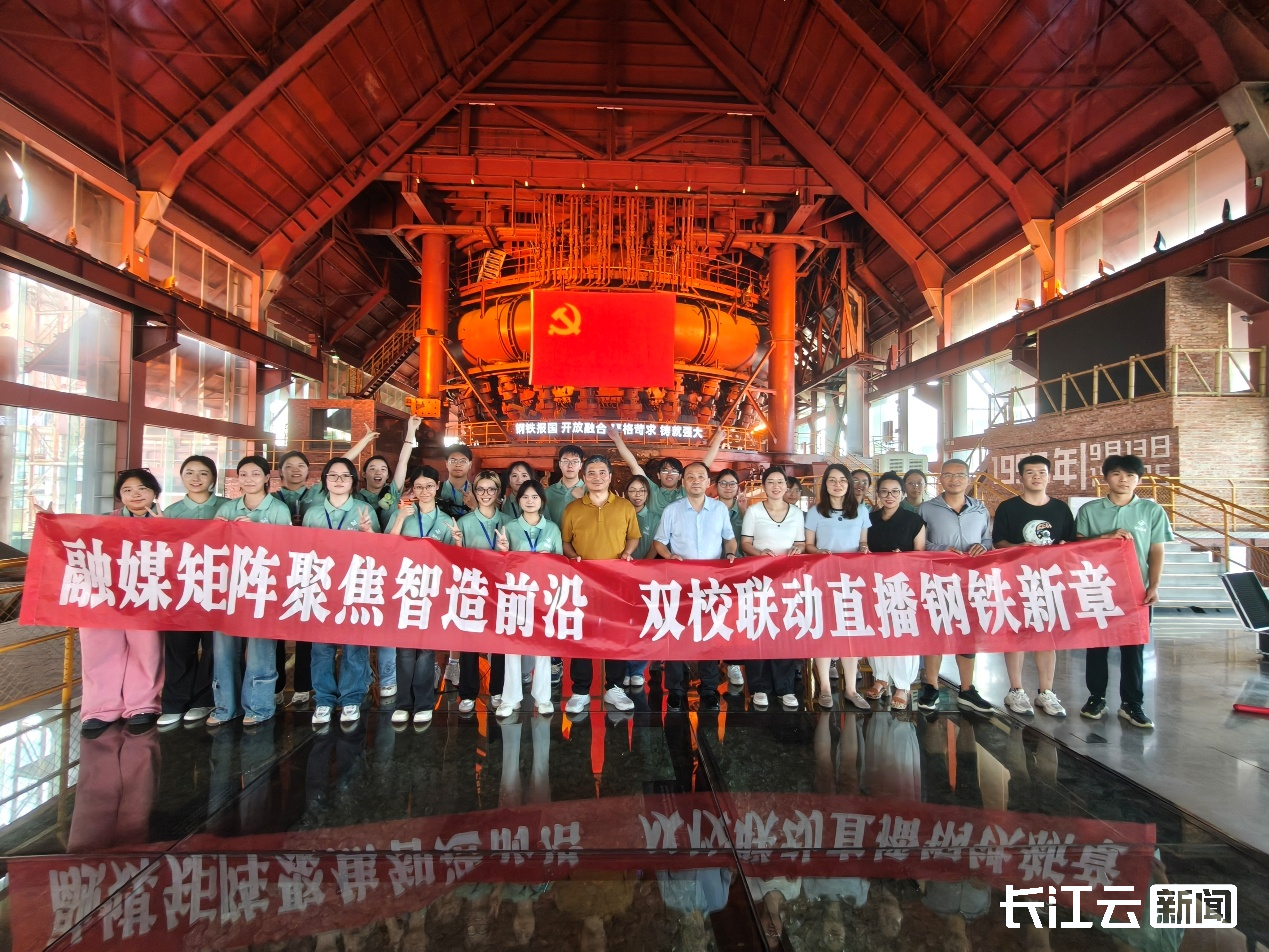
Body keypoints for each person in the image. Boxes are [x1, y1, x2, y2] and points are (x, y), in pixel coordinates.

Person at [52, 468, 165, 734]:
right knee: (100, 650)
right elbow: (72, 542)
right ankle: (100, 708)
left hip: (145, 596)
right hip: (104, 598)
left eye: (142, 489)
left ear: (154, 493)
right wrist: (50, 523)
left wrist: (165, 530)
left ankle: (143, 705)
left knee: (146, 650)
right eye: (127, 490)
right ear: (119, 495)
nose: (135, 495)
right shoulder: (102, 521)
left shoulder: (167, 521)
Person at [1076, 454, 1171, 729]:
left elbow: (1156, 550)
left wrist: (1154, 585)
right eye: (1117, 474)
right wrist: (1104, 537)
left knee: (1134, 648)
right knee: (1097, 646)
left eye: (1130, 475)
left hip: (1136, 591)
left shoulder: (1151, 511)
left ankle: (1132, 704)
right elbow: (1077, 546)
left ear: (1138, 480)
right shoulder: (1090, 510)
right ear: (1106, 477)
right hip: (1098, 588)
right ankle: (1096, 698)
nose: (1124, 480)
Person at [992, 455, 1075, 717]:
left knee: (1046, 635)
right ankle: (1016, 690)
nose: (1036, 476)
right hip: (1016, 579)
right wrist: (1017, 547)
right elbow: (998, 542)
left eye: (1041, 472)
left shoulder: (1061, 509)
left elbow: (1070, 543)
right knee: (1016, 633)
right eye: (1030, 472)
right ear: (1021, 477)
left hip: (1050, 581)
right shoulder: (1008, 507)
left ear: (1049, 476)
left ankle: (1046, 692)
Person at [211, 455, 289, 727]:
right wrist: (217, 531)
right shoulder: (227, 508)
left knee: (259, 650)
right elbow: (212, 550)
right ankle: (225, 706)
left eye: (256, 474)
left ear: (267, 478)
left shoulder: (278, 510)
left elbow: (287, 549)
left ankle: (258, 706)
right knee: (223, 649)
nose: (249, 479)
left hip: (263, 589)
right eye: (243, 474)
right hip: (228, 589)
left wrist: (255, 532)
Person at [653, 461, 737, 713]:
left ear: (708, 482)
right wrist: (668, 556)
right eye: (690, 477)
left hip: (711, 584)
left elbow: (729, 538)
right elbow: (659, 542)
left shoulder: (719, 509)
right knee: (677, 635)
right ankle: (676, 690)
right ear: (683, 482)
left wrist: (730, 554)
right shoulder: (672, 510)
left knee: (708, 635)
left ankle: (709, 689)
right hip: (680, 584)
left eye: (701, 476)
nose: (696, 481)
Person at [301, 457, 379, 727]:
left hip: (354, 586)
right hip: (320, 588)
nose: (338, 480)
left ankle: (351, 697)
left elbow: (379, 553)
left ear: (353, 481)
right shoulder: (312, 513)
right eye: (332, 475)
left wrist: (368, 532)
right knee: (321, 647)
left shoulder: (364, 510)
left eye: (345, 476)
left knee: (354, 646)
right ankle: (323, 699)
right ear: (325, 480)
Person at [559, 455, 641, 714]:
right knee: (581, 636)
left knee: (616, 635)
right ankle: (581, 690)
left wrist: (627, 553)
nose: (597, 477)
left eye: (602, 472)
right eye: (591, 473)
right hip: (583, 585)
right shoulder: (572, 509)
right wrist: (573, 557)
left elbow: (634, 537)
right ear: (584, 477)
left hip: (617, 584)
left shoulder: (625, 507)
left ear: (610, 476)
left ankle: (614, 688)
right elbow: (565, 542)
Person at [386, 464, 462, 726]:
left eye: (429, 486)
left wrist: (458, 541)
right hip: (405, 587)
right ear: (413, 489)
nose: (425, 491)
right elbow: (386, 547)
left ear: (437, 486)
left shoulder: (445, 520)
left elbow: (454, 560)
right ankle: (403, 704)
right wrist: (399, 519)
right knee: (405, 650)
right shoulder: (403, 514)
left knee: (427, 650)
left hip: (433, 589)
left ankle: (424, 703)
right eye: (419, 487)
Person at [917, 458, 994, 715]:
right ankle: (930, 686)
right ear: (941, 479)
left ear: (968, 478)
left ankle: (967, 689)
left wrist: (983, 546)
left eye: (960, 474)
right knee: (935, 631)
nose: (954, 479)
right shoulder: (927, 509)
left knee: (968, 632)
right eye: (948, 475)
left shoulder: (980, 509)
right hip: (938, 579)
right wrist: (941, 549)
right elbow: (919, 543)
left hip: (971, 581)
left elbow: (987, 539)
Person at [157, 455, 225, 728]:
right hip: (180, 590)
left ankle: (203, 700)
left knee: (213, 648)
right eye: (190, 472)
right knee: (179, 647)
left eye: (203, 473)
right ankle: (174, 702)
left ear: (213, 478)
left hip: (217, 589)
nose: (196, 478)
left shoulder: (227, 507)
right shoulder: (170, 512)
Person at [358, 416, 423, 701]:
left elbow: (403, 463)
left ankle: (388, 677)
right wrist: (363, 442)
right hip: (362, 565)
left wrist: (410, 432)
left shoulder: (392, 495)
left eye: (382, 469)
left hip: (390, 565)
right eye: (372, 468)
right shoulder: (356, 497)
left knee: (386, 623)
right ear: (363, 474)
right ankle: (363, 677)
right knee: (360, 624)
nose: (378, 472)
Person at [494, 479, 561, 718]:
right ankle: (510, 698)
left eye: (535, 497)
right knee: (512, 647)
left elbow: (561, 564)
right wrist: (503, 551)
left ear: (542, 501)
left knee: (542, 647)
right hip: (516, 595)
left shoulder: (552, 528)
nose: (530, 501)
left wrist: (550, 559)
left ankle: (543, 697)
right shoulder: (510, 527)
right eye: (525, 497)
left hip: (543, 596)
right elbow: (500, 565)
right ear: (518, 500)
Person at [739, 466, 805, 709]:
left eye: (780, 482)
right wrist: (759, 553)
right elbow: (745, 543)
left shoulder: (796, 513)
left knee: (784, 629)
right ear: (764, 486)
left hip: (787, 580)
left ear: (786, 486)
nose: (776, 486)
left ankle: (785, 687)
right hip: (759, 579)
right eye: (771, 482)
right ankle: (759, 686)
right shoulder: (754, 511)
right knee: (758, 629)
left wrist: (797, 549)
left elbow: (801, 543)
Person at [805, 463, 870, 710]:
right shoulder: (815, 512)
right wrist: (819, 552)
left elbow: (863, 541)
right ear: (825, 484)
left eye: (842, 480)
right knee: (825, 632)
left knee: (850, 633)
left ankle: (851, 689)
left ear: (849, 484)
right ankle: (824, 687)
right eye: (832, 480)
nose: (837, 484)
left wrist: (863, 548)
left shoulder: (860, 510)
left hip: (853, 580)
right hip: (824, 578)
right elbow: (809, 545)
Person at [864, 472, 927, 710]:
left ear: (902, 494)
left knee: (902, 632)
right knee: (877, 630)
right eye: (884, 491)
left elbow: (920, 555)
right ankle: (881, 678)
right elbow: (863, 547)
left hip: (903, 585)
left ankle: (903, 685)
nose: (889, 496)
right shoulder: (869, 519)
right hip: (874, 583)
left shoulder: (914, 521)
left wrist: (904, 558)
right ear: (877, 494)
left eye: (894, 492)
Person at [455, 470, 509, 714]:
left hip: (500, 588)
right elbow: (454, 560)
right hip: (473, 588)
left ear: (498, 492)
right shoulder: (464, 522)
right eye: (480, 489)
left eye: (491, 489)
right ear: (474, 492)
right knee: (470, 640)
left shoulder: (508, 521)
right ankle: (467, 693)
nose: (485, 494)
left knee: (499, 641)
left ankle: (498, 690)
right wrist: (458, 544)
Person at [610, 426, 727, 513]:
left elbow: (703, 467)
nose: (669, 474)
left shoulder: (684, 492)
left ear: (680, 477)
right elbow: (633, 465)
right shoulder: (652, 490)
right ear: (659, 475)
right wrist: (617, 439)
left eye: (674, 471)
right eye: (665, 470)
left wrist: (717, 441)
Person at [622, 474, 659, 689]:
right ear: (626, 493)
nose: (637, 495)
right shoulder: (619, 513)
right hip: (621, 574)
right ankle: (623, 668)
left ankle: (637, 670)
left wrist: (643, 566)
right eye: (633, 490)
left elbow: (656, 544)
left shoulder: (654, 517)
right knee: (622, 623)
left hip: (645, 575)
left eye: (642, 491)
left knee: (643, 623)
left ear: (648, 494)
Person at [714, 467, 747, 689]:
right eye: (723, 483)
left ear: (737, 487)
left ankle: (733, 662)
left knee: (735, 618)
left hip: (739, 572)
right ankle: (711, 657)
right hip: (714, 571)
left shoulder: (746, 512)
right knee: (713, 616)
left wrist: (744, 512)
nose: (727, 487)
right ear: (716, 487)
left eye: (732, 484)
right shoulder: (709, 509)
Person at [544, 444, 586, 526]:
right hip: (555, 534)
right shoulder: (548, 492)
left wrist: (582, 499)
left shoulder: (589, 491)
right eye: (566, 461)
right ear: (560, 464)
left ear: (581, 465)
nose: (570, 466)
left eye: (575, 462)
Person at [439, 443, 478, 517]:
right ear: (446, 464)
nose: (458, 465)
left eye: (463, 461)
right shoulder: (436, 489)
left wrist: (475, 506)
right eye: (453, 461)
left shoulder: (478, 491)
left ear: (470, 465)